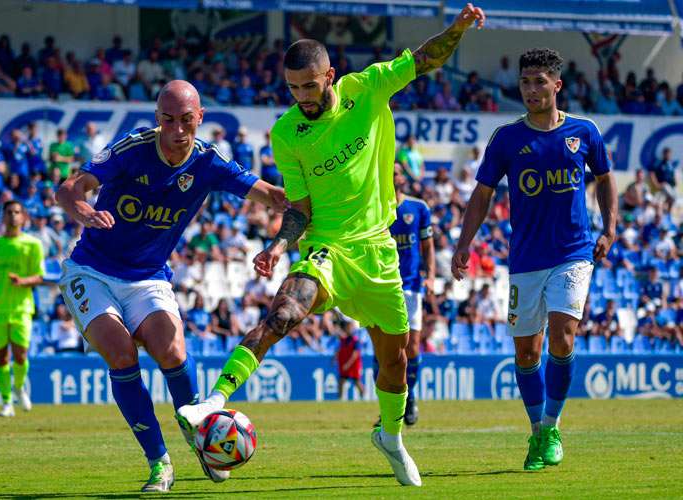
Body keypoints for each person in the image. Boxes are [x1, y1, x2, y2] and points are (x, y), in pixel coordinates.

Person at [178, 4, 486, 487]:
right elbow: (299, 208)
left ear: (331, 76)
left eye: (309, 85)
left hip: (379, 254)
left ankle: (390, 437)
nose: (302, 96)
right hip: (327, 249)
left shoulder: (368, 88)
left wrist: (459, 27)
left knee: (395, 361)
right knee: (283, 314)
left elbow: (425, 59)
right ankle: (213, 403)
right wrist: (280, 246)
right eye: (293, 87)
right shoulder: (286, 133)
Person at [55, 80, 286, 492]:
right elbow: (70, 187)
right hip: (92, 271)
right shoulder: (132, 149)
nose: (177, 130)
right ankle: (159, 462)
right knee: (122, 354)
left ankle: (200, 436)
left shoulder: (209, 162)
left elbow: (266, 193)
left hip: (147, 276)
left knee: (172, 350)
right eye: (168, 121)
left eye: (185, 121)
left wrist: (300, 202)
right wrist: (83, 209)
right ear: (156, 119)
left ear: (200, 118)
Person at [450, 48, 617, 471]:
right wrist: (464, 242)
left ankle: (553, 427)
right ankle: (538, 431)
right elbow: (482, 194)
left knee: (563, 336)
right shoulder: (506, 138)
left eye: (539, 81)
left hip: (573, 253)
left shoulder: (585, 131)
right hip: (525, 259)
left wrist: (610, 229)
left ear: (556, 85)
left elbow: (605, 178)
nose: (531, 89)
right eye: (525, 82)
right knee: (527, 353)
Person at [374, 163, 435, 426]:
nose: (394, 176)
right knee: (383, 349)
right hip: (381, 286)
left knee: (411, 347)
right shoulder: (375, 207)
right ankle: (389, 409)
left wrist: (430, 276)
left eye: (397, 172)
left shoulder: (418, 208)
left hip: (410, 286)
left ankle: (410, 400)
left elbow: (428, 246)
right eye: (390, 172)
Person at [0, 200, 46, 418]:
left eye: (17, 212)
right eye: (9, 212)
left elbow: (40, 276)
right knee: (1, 357)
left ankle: (19, 387)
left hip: (21, 307)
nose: (13, 216)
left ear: (23, 217)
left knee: (20, 356)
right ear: (3, 217)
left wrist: (22, 281)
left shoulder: (33, 245)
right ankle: (6, 402)